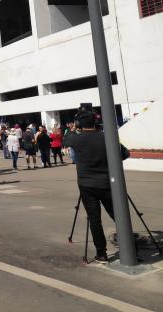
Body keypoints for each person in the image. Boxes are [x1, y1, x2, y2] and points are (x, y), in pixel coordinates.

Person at [64, 108, 130, 263]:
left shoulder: (76, 139)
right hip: (108, 183)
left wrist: (73, 128)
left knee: (94, 219)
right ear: (96, 122)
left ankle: (102, 253)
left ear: (78, 124)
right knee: (118, 215)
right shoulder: (106, 137)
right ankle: (130, 248)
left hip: (86, 185)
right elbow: (126, 154)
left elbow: (66, 139)